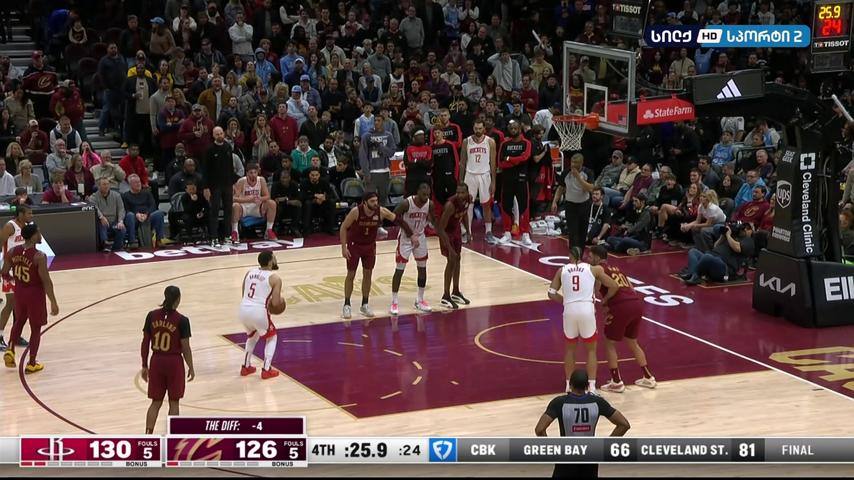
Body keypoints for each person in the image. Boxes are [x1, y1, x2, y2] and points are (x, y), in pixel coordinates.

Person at [547, 245, 620, 393]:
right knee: (591, 350)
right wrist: (604, 299)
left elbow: (551, 293)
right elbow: (614, 285)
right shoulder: (594, 269)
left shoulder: (561, 270)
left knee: (570, 350)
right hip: (586, 309)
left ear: (570, 256)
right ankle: (591, 386)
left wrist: (566, 301)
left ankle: (569, 385)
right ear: (583, 256)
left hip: (570, 310)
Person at [535, 369, 630, 479]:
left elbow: (539, 429)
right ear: (587, 386)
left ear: (570, 385)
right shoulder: (598, 402)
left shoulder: (559, 403)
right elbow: (624, 425)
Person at [589, 246, 657, 393]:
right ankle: (648, 377)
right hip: (636, 304)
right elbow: (632, 288)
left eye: (590, 257)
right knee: (632, 342)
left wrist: (605, 301)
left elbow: (604, 289)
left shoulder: (599, 269)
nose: (588, 260)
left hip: (621, 306)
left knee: (609, 342)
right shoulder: (617, 269)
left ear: (597, 257)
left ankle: (616, 382)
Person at [2, 223, 60, 373]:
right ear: (33, 236)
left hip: (19, 292)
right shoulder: (39, 256)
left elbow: (4, 272)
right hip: (34, 294)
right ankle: (32, 363)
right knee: (35, 328)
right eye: (38, 233)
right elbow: (46, 281)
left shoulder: (13, 251)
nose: (40, 235)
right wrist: (53, 302)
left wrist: (14, 280)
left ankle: (10, 349)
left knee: (19, 321)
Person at [140, 285, 194, 434]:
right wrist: (191, 366)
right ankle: (171, 436)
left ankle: (148, 435)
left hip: (156, 361)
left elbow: (145, 342)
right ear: (178, 299)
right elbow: (186, 348)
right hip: (174, 363)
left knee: (155, 402)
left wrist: (144, 365)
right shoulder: (182, 320)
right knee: (174, 402)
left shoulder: (151, 316)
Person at [339, 192, 397, 320]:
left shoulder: (380, 211)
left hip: (369, 246)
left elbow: (396, 218)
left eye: (376, 200)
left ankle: (364, 304)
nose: (375, 203)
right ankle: (347, 304)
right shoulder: (356, 211)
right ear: (364, 202)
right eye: (372, 201)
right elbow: (343, 227)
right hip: (354, 246)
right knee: (351, 274)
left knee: (368, 274)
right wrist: (343, 247)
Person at [390, 183, 433, 316]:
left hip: (420, 237)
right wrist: (409, 233)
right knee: (400, 269)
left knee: (422, 268)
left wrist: (434, 224)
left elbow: (432, 219)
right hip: (405, 238)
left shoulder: (429, 204)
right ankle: (394, 301)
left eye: (428, 195)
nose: (425, 197)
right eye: (423, 194)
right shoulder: (406, 203)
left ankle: (419, 299)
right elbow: (393, 216)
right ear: (417, 192)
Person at [239, 251, 283, 379]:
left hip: (243, 309)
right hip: (258, 311)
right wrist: (282, 302)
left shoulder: (249, 273)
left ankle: (246, 367)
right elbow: (275, 303)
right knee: (272, 337)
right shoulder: (275, 278)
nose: (275, 259)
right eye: (274, 258)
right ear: (270, 262)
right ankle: (266, 369)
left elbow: (244, 293)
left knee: (252, 336)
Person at [680, 222, 755, 285]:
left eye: (748, 228)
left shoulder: (749, 241)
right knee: (693, 251)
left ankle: (696, 275)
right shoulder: (732, 236)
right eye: (744, 228)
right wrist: (723, 236)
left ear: (752, 231)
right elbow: (715, 246)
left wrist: (728, 235)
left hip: (724, 267)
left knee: (707, 257)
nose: (745, 230)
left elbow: (737, 248)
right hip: (712, 258)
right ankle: (691, 273)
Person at [0, 204, 32, 351]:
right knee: (11, 302)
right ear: (20, 214)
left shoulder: (28, 227)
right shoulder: (10, 226)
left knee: (21, 304)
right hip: (9, 270)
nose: (31, 216)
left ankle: (16, 336)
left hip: (21, 270)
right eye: (28, 213)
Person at [460, 120, 497, 243]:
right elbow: (462, 162)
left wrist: (493, 182)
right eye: (476, 128)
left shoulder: (490, 142)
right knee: (468, 205)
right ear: (473, 128)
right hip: (470, 175)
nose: (478, 131)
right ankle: (468, 232)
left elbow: (493, 164)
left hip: (485, 175)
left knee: (486, 204)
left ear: (484, 129)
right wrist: (461, 181)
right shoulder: (466, 141)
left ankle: (488, 232)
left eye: (480, 128)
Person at [437, 183, 472, 309]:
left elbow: (465, 214)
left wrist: (468, 232)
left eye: (462, 192)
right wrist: (449, 248)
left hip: (456, 229)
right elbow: (440, 229)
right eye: (458, 192)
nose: (460, 195)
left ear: (467, 193)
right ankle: (445, 295)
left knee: (458, 259)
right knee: (451, 260)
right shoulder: (450, 205)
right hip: (446, 232)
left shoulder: (469, 199)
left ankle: (456, 291)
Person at [552, 153, 594, 251]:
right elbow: (561, 188)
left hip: (584, 205)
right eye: (572, 162)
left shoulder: (588, 172)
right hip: (570, 205)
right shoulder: (566, 172)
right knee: (573, 233)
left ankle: (580, 255)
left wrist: (578, 178)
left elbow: (590, 189)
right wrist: (554, 201)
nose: (573, 165)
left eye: (576, 163)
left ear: (581, 163)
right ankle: (573, 255)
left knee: (582, 233)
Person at [202, 126, 236, 246]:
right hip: (214, 186)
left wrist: (232, 183)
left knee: (228, 210)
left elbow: (230, 167)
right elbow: (205, 170)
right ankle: (214, 238)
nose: (220, 136)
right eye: (217, 134)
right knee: (214, 211)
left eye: (221, 133)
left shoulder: (228, 147)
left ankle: (227, 236)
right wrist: (206, 187)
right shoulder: (209, 149)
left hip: (227, 184)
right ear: (213, 135)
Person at [231, 163, 277, 242]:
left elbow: (267, 196)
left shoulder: (261, 180)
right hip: (244, 207)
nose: (253, 175)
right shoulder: (242, 181)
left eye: (255, 172)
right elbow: (234, 198)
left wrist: (260, 198)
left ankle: (268, 230)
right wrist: (248, 200)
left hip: (257, 207)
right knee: (235, 206)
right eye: (251, 173)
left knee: (272, 203)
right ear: (247, 173)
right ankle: (235, 232)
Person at [122, 174, 168, 249]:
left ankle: (159, 239)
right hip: (134, 218)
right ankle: (132, 241)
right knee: (129, 215)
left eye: (139, 182)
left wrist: (146, 214)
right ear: (130, 184)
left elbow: (153, 206)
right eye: (136, 182)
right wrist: (136, 214)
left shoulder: (147, 193)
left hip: (148, 216)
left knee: (159, 213)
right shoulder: (125, 196)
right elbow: (126, 209)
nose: (138, 184)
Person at [92, 177, 127, 252]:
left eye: (108, 184)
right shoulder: (93, 197)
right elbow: (95, 208)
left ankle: (116, 248)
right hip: (102, 221)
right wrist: (101, 217)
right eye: (104, 184)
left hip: (114, 222)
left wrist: (120, 221)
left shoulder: (117, 195)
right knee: (102, 224)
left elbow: (121, 209)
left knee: (122, 229)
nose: (106, 186)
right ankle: (105, 245)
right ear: (99, 186)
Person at [300, 167, 336, 237]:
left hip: (322, 204)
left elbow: (331, 195)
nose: (314, 177)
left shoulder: (324, 182)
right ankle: (306, 229)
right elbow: (302, 196)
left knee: (331, 202)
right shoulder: (304, 183)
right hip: (310, 205)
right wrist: (315, 197)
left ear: (319, 175)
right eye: (312, 175)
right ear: (309, 175)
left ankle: (330, 227)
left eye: (316, 175)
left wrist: (324, 198)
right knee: (307, 203)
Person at [402, 130, 432, 196]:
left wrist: (415, 161)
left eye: (423, 135)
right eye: (419, 135)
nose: (422, 137)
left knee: (426, 197)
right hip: (412, 178)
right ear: (414, 137)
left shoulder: (428, 148)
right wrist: (422, 161)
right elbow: (408, 164)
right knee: (411, 197)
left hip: (425, 177)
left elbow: (429, 163)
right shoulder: (408, 148)